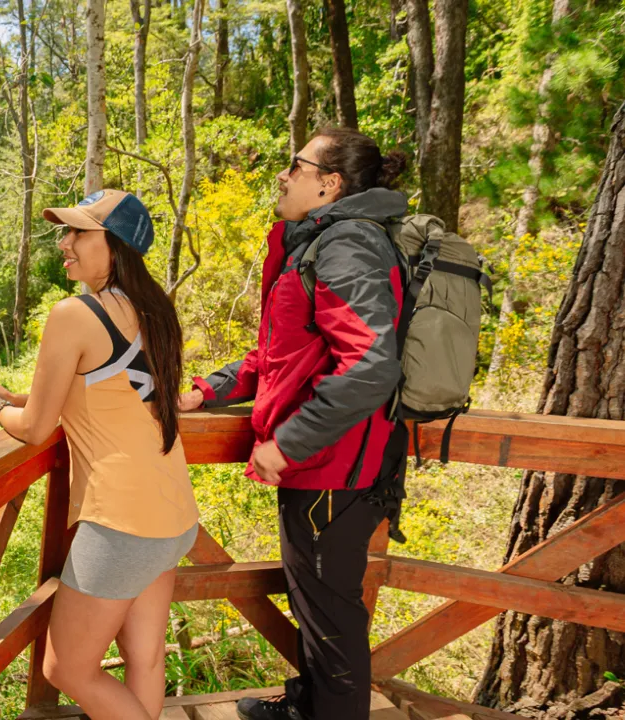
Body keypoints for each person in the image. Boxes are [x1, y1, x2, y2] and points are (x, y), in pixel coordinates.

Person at [180, 128, 409, 720]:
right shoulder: (320, 243)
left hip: (334, 468)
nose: (283, 175)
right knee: (316, 602)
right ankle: (308, 707)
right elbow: (280, 356)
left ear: (329, 183)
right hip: (325, 464)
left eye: (296, 165)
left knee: (331, 618)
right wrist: (209, 391)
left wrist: (289, 442)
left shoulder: (346, 246)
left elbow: (371, 364)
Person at [0, 189, 198, 720]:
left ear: (114, 245)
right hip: (172, 512)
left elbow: (36, 428)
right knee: (144, 658)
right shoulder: (153, 309)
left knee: (67, 668)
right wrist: (14, 396)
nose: (64, 243)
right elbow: (105, 390)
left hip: (122, 523)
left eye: (78, 232)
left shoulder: (75, 313)